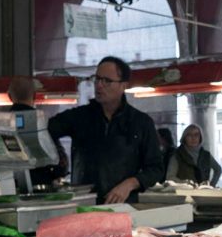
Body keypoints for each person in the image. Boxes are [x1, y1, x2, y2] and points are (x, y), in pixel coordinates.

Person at [48, 56, 164, 204]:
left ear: (123, 86)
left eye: (107, 81)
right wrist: (56, 167)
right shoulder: (79, 117)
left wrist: (130, 184)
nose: (99, 85)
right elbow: (44, 132)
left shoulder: (141, 122)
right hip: (84, 205)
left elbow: (156, 169)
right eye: (97, 79)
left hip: (124, 206)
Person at [7, 75, 67, 187]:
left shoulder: (1, 123)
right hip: (42, 187)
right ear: (35, 96)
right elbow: (61, 163)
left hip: (11, 187)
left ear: (9, 97)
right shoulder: (43, 123)